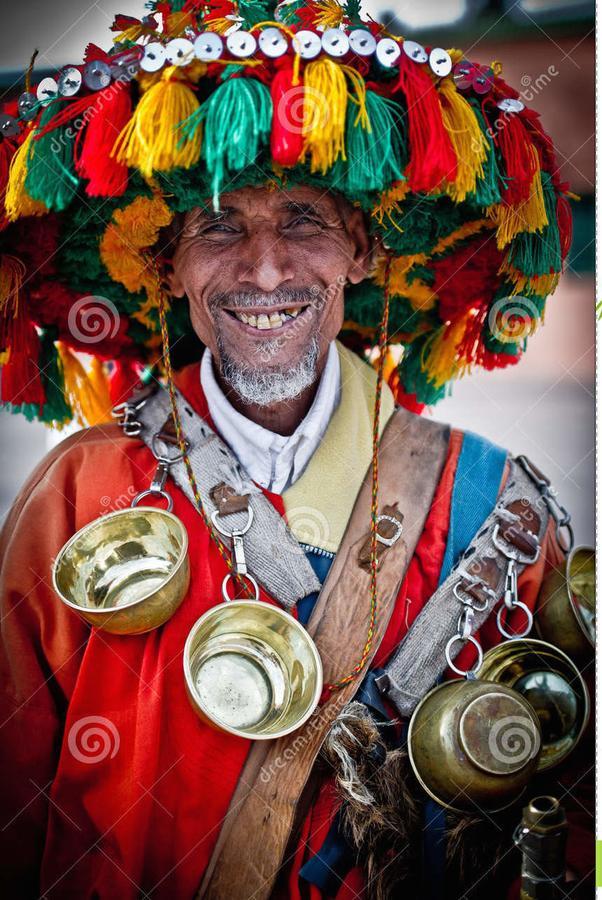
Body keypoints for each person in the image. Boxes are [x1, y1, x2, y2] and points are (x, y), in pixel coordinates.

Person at [0, 1, 593, 898]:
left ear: (362, 249)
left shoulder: (495, 513)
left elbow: (559, 834)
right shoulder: (81, 496)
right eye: (218, 224)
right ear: (167, 267)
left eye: (306, 219)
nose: (266, 269)